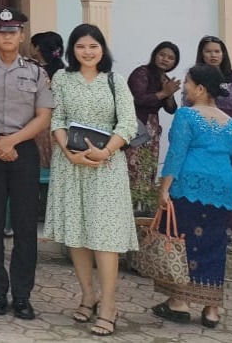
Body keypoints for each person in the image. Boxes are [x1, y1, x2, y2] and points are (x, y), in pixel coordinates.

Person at [44, 23, 138, 338]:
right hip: (69, 165)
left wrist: (106, 151)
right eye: (81, 46)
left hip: (107, 168)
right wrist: (68, 153)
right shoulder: (61, 78)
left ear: (102, 49)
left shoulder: (115, 80)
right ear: (72, 50)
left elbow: (127, 123)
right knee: (78, 234)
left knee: (105, 238)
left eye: (93, 46)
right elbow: (56, 119)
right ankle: (88, 295)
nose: (87, 52)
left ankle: (109, 305)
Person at [0, 8, 54, 321]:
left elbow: (43, 116)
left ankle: (21, 295)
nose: (6, 37)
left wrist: (12, 141)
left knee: (24, 225)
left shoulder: (35, 72)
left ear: (21, 36)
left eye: (12, 32)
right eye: (0, 32)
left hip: (23, 151)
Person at [151, 63, 232, 329]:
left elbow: (176, 155)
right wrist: (228, 192)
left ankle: (179, 303)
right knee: (214, 247)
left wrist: (164, 189)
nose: (185, 87)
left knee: (184, 244)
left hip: (188, 187)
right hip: (222, 191)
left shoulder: (187, 116)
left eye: (189, 83)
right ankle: (211, 310)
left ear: (202, 89)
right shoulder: (230, 123)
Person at [192, 35, 232, 245]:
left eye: (217, 51)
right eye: (209, 51)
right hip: (205, 132)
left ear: (223, 54)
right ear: (201, 53)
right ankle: (214, 223)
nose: (213, 55)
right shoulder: (195, 77)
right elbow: (188, 105)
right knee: (210, 176)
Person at [125, 41, 180, 208]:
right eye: (162, 55)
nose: (165, 59)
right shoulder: (141, 72)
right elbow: (139, 98)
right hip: (136, 124)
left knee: (148, 167)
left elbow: (171, 109)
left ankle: (144, 209)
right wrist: (164, 92)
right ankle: (129, 207)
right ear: (155, 54)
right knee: (133, 165)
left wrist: (169, 94)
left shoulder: (165, 79)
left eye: (170, 58)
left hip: (153, 127)